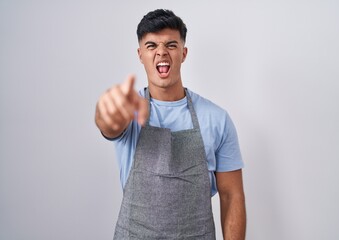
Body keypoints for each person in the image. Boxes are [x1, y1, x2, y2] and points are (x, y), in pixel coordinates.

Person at [95, 9, 246, 240]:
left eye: (171, 45)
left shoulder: (217, 119)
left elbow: (231, 195)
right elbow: (108, 123)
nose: (161, 52)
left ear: (183, 53)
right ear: (140, 54)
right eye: (151, 46)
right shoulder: (130, 112)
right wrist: (108, 108)